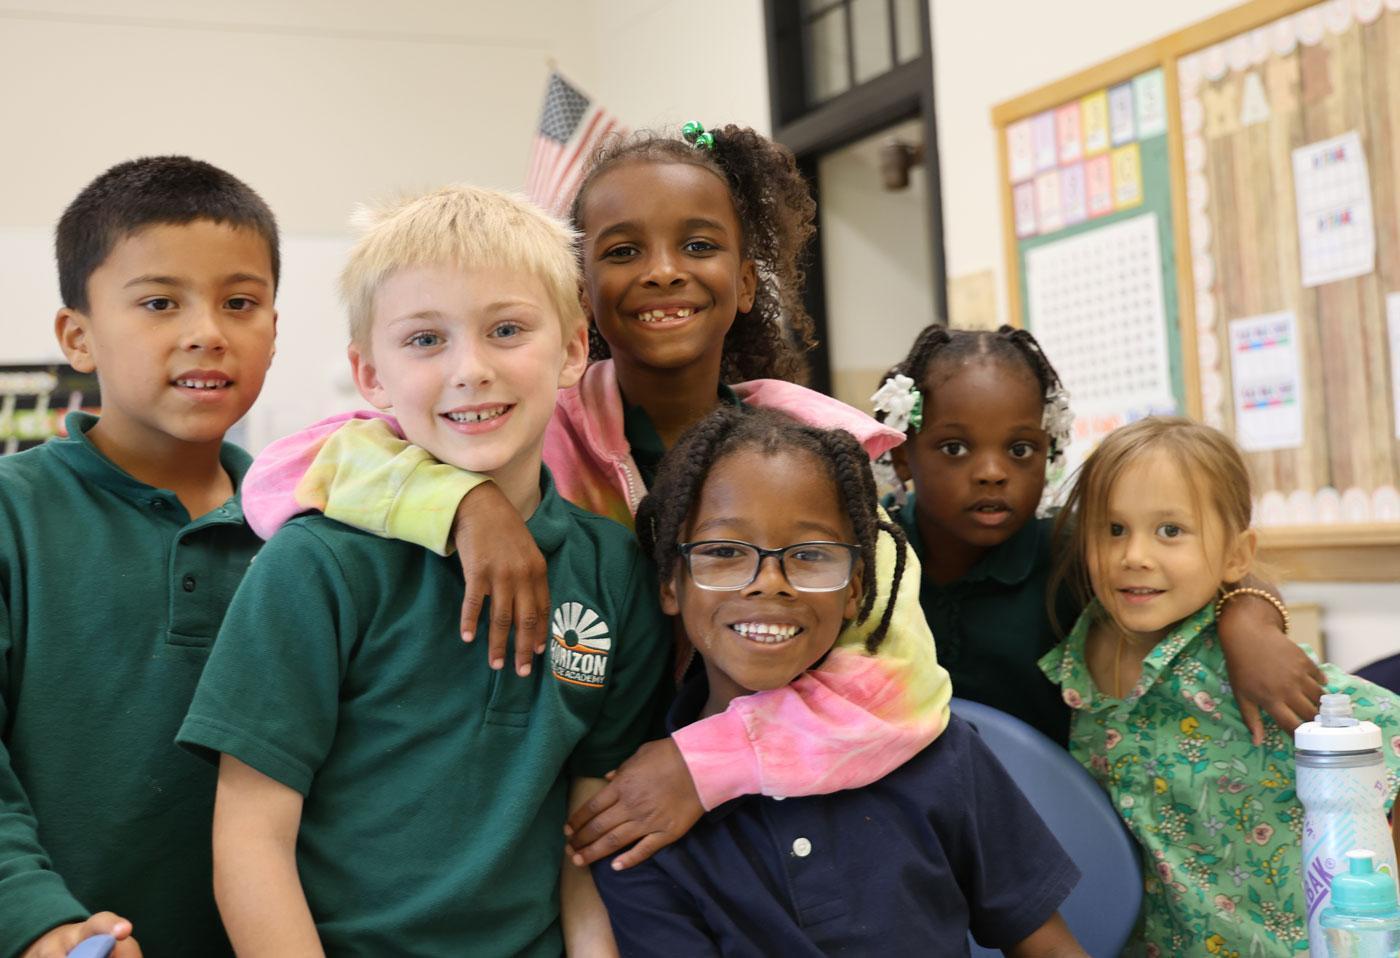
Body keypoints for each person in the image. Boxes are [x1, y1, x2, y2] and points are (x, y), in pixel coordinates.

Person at [235, 122, 952, 869]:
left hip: (776, 818)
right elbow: (284, 471)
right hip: (581, 825)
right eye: (621, 251)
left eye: (700, 246)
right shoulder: (526, 421)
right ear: (581, 297)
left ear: (746, 281)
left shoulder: (809, 464)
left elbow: (902, 688)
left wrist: (697, 767)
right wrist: (461, 504)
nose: (665, 271)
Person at [177, 185, 672, 955]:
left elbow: (586, 837)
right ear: (369, 374)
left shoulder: (615, 568)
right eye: (424, 341)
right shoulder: (317, 567)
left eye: (507, 329)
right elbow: (249, 840)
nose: (470, 370)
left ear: (574, 348)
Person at [594, 405, 1087, 957]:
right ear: (671, 584)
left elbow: (1047, 945)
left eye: (810, 556)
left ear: (856, 588)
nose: (770, 583)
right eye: (725, 553)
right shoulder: (643, 820)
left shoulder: (941, 755)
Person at [0, 156, 279, 958]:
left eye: (240, 302)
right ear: (76, 337)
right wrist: (33, 916)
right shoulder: (14, 515)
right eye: (160, 302)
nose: (207, 331)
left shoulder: (314, 533)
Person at [1038, 416, 1400, 956]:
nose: (1134, 554)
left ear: (1236, 555)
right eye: (1113, 529)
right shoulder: (1078, 660)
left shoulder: (1255, 669)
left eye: (1170, 531)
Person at [873, 324, 1325, 744]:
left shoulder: (1075, 549)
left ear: (1049, 453)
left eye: (1020, 449)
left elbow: (1229, 573)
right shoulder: (872, 553)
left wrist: (1250, 626)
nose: (992, 473)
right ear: (902, 457)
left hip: (1055, 807)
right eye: (955, 448)